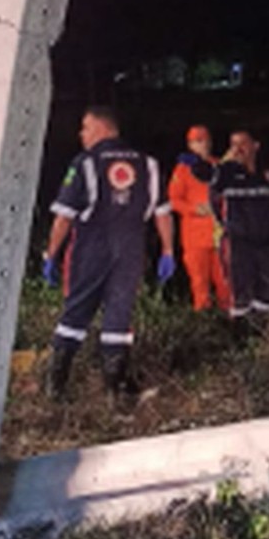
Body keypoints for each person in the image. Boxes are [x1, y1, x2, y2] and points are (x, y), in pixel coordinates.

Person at [41, 105, 174, 400]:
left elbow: (64, 216)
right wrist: (167, 250)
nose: (81, 134)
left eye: (85, 127)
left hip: (91, 248)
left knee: (76, 313)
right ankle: (117, 390)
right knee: (119, 317)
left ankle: (56, 389)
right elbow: (163, 212)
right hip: (130, 250)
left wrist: (50, 254)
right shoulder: (147, 164)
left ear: (102, 129)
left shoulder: (86, 163)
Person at [210, 129, 269, 318]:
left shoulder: (266, 176)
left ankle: (264, 340)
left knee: (266, 296)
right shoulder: (226, 175)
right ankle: (239, 338)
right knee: (240, 298)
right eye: (233, 144)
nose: (238, 149)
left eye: (242, 144)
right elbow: (213, 193)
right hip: (238, 245)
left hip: (265, 244)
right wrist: (226, 164)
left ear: (255, 146)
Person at [168, 125, 231, 312]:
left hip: (219, 236)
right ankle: (203, 327)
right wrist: (194, 209)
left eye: (203, 140)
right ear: (190, 145)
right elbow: (173, 200)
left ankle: (229, 325)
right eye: (196, 141)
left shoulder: (219, 167)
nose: (201, 145)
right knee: (199, 286)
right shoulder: (182, 170)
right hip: (194, 238)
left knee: (225, 285)